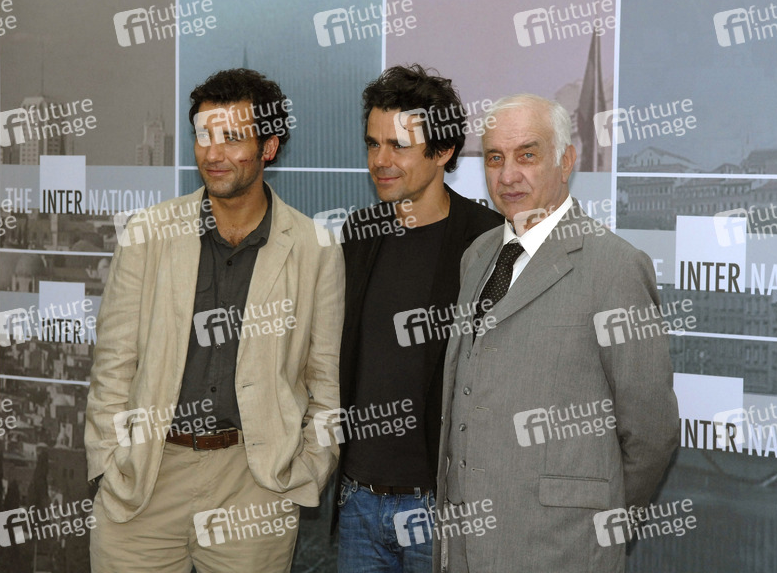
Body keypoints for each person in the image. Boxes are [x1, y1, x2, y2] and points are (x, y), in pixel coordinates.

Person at [85, 68, 343, 573]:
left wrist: (306, 470)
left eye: (232, 137)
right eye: (203, 135)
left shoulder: (315, 249)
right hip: (145, 478)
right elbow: (113, 362)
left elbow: (325, 381)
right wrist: (110, 461)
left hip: (255, 484)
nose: (213, 153)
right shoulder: (148, 233)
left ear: (269, 147)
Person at [434, 94, 679, 573]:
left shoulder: (615, 268)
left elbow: (651, 431)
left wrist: (593, 519)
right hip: (463, 545)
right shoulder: (478, 256)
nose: (508, 175)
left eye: (527, 155)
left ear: (566, 161)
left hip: (562, 549)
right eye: (494, 158)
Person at [331, 64, 503, 573]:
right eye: (372, 143)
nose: (380, 161)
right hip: (358, 500)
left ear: (443, 150)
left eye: (398, 146)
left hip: (439, 504)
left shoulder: (488, 239)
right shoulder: (359, 231)